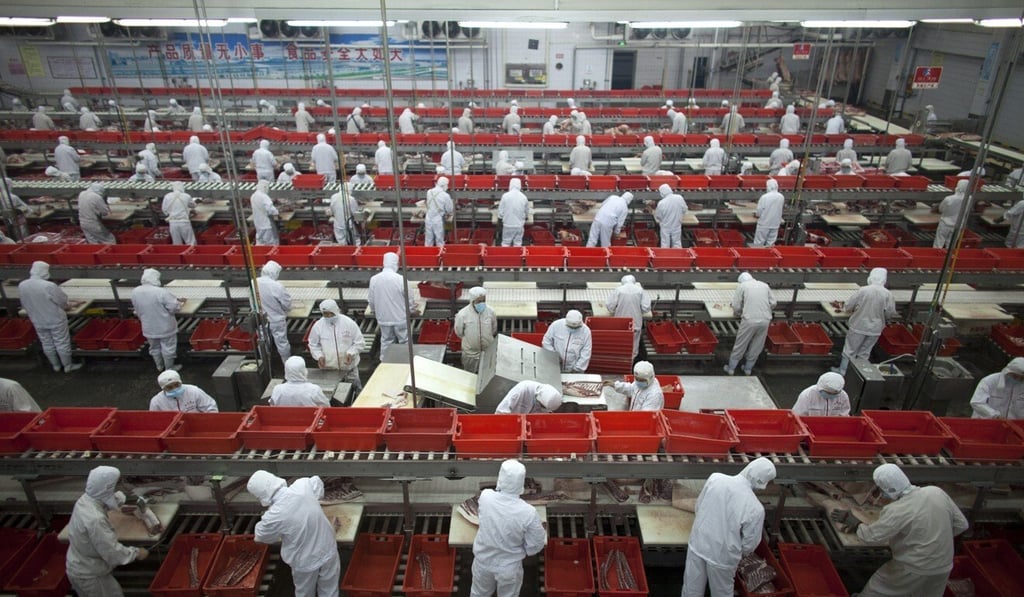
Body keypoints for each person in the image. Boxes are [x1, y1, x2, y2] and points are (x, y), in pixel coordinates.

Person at [831, 464, 967, 597]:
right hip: (944, 565)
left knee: (878, 589)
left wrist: (854, 522)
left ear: (887, 489)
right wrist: (935, 538)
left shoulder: (897, 510)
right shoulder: (935, 492)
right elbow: (962, 524)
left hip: (914, 567)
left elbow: (871, 537)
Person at [681, 458, 777, 597]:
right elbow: (749, 544)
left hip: (698, 544)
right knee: (721, 593)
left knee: (691, 589)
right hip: (722, 557)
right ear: (762, 482)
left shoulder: (716, 479)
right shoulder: (755, 508)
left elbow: (698, 507)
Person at [248, 471, 341, 597]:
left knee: (304, 592)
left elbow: (261, 537)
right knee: (330, 589)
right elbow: (317, 484)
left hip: (304, 561)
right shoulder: (302, 485)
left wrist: (268, 517)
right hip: (328, 549)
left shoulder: (273, 516)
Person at [66, 466, 149, 597]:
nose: (119, 488)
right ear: (107, 488)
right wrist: (137, 553)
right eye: (116, 486)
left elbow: (105, 498)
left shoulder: (85, 499)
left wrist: (123, 500)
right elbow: (112, 553)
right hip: (91, 575)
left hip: (78, 565)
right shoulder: (96, 520)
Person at [470, 459, 547, 597]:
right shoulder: (528, 512)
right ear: (521, 483)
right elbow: (536, 544)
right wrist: (522, 551)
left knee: (478, 594)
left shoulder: (486, 497)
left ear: (500, 478)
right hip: (509, 568)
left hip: (483, 562)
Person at [18, 261, 82, 373]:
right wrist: (72, 304)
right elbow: (62, 302)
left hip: (37, 319)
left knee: (46, 342)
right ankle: (68, 366)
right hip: (55, 319)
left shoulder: (22, 285)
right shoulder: (48, 286)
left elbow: (24, 303)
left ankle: (55, 366)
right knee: (61, 342)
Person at [834, 268, 897, 375]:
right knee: (864, 353)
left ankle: (843, 372)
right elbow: (890, 313)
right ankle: (858, 375)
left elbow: (849, 306)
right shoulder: (887, 294)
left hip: (859, 325)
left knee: (849, 351)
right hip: (875, 329)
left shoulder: (863, 290)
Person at [724, 272, 776, 376]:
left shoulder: (742, 286)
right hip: (765, 320)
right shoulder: (764, 285)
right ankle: (748, 369)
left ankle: (731, 369)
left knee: (741, 344)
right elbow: (774, 303)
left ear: (741, 281)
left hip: (749, 320)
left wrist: (738, 313)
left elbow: (736, 306)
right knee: (757, 345)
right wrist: (765, 310)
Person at [132, 268, 183, 372]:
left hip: (148, 327)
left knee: (154, 348)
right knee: (168, 348)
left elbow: (136, 309)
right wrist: (180, 303)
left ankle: (159, 366)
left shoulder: (135, 291)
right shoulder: (160, 292)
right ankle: (169, 368)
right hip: (165, 326)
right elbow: (174, 307)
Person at [368, 252, 418, 359]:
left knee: (386, 341)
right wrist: (411, 310)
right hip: (400, 319)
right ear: (396, 264)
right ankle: (407, 363)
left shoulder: (374, 279)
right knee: (405, 341)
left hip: (383, 318)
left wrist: (374, 311)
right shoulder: (401, 279)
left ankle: (385, 364)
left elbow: (371, 300)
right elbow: (410, 299)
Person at [307, 299, 364, 391]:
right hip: (329, 369)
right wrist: (319, 356)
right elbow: (313, 344)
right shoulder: (318, 326)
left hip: (349, 368)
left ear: (336, 311)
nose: (328, 316)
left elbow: (359, 343)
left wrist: (351, 353)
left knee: (355, 391)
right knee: (333, 393)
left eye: (331, 313)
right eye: (325, 314)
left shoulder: (349, 323)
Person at [606, 275, 651, 360]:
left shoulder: (618, 290)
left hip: (620, 324)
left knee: (620, 345)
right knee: (633, 348)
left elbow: (609, 306)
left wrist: (616, 308)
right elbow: (646, 307)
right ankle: (631, 364)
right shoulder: (640, 290)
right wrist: (638, 309)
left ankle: (620, 363)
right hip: (635, 324)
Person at [454, 286, 498, 373]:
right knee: (470, 375)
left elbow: (493, 328)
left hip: (487, 351)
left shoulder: (490, 312)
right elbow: (459, 332)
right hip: (470, 354)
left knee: (487, 374)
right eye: (479, 301)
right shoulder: (462, 315)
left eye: (483, 301)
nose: (482, 303)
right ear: (472, 301)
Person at [257, 260, 293, 363]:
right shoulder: (276, 286)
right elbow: (287, 304)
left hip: (260, 319)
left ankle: (265, 363)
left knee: (263, 341)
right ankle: (287, 364)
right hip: (276, 320)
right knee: (282, 343)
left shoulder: (254, 282)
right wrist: (285, 309)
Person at [150, 369, 217, 412]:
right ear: (163, 388)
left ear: (181, 382)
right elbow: (155, 419)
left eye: (177, 385)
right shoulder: (156, 402)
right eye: (169, 387)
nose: (174, 389)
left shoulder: (194, 391)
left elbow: (210, 407)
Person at [934, 179, 968, 249]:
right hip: (958, 225)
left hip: (945, 224)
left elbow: (941, 209)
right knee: (951, 245)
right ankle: (948, 258)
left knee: (939, 243)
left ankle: (937, 257)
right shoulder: (969, 198)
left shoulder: (949, 199)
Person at [161, 181, 197, 246]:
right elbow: (193, 205)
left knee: (176, 243)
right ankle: (192, 254)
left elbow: (164, 209)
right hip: (184, 221)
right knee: (190, 241)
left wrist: (170, 213)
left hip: (173, 222)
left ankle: (179, 255)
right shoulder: (186, 196)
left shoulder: (167, 196)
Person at [495, 381, 562, 414]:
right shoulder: (522, 390)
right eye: (542, 406)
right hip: (511, 424)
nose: (542, 409)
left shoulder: (549, 398)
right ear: (538, 397)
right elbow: (501, 411)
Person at [497, 178, 529, 247]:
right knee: (517, 243)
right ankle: (516, 257)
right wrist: (526, 217)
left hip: (507, 225)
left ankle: (506, 257)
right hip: (519, 226)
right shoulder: (524, 197)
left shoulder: (505, 196)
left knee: (505, 243)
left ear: (510, 185)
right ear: (520, 185)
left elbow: (500, 212)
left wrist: (500, 221)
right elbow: (526, 211)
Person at [753, 179, 784, 247]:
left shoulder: (764, 197)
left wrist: (756, 215)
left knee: (759, 243)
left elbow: (759, 211)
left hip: (764, 224)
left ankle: (758, 255)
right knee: (771, 243)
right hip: (775, 224)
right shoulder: (781, 196)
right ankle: (769, 256)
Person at [654, 183, 687, 248]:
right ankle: (677, 257)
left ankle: (666, 257)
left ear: (662, 193)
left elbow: (658, 216)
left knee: (665, 244)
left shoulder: (662, 203)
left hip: (665, 227)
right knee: (677, 243)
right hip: (676, 225)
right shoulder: (679, 198)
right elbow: (685, 209)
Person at [423, 177, 453, 247]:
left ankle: (428, 255)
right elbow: (449, 209)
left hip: (428, 218)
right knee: (439, 240)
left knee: (428, 239)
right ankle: (440, 255)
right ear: (444, 185)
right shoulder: (445, 195)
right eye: (447, 185)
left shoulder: (429, 192)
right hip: (438, 219)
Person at [251, 180, 279, 246]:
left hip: (258, 223)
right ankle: (271, 255)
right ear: (264, 187)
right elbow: (271, 209)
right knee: (270, 243)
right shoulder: (264, 196)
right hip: (266, 224)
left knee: (260, 242)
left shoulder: (253, 196)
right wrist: (276, 212)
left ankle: (259, 255)